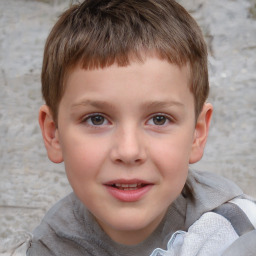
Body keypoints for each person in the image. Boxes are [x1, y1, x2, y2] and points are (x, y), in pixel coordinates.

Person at [26, 0, 256, 255]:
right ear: (53, 134)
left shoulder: (236, 234)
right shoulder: (49, 247)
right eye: (97, 119)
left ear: (197, 133)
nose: (128, 150)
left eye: (159, 119)